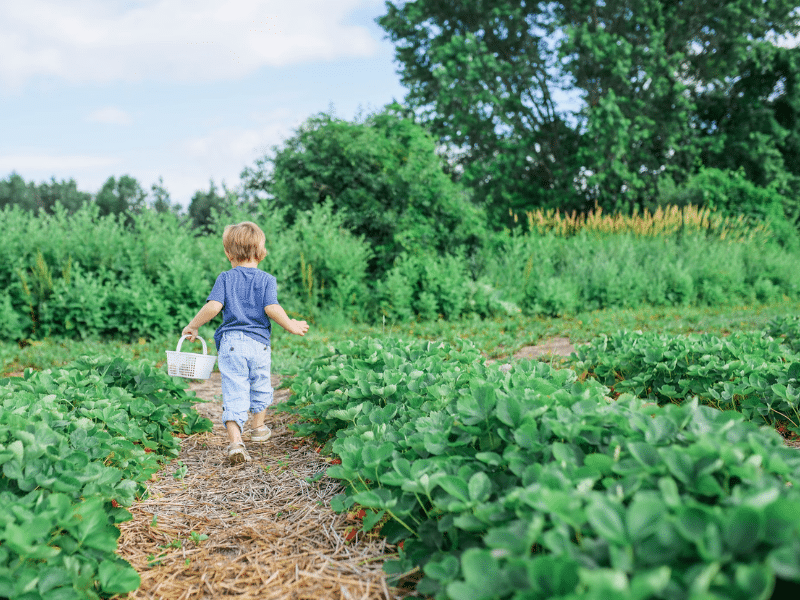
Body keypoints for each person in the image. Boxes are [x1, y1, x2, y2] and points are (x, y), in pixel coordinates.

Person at [182, 221, 309, 465]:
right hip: (259, 344)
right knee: (261, 384)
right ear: (261, 252)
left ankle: (235, 442)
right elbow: (272, 308)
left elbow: (214, 306)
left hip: (231, 344)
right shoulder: (267, 279)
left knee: (234, 390)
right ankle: (259, 427)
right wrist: (291, 325)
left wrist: (194, 324)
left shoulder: (226, 278)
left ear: (228, 253)